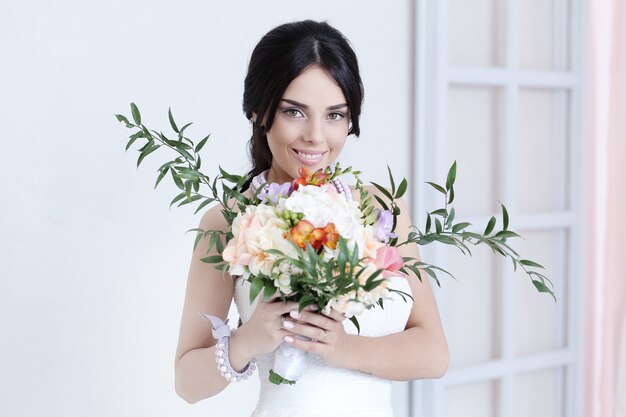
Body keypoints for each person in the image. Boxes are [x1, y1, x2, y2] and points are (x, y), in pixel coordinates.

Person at [174, 20, 449, 416]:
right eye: (294, 112)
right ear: (259, 110)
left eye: (335, 115)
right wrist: (247, 341)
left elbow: (434, 354)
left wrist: (342, 348)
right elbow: (187, 383)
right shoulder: (229, 221)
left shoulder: (382, 209)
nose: (316, 137)